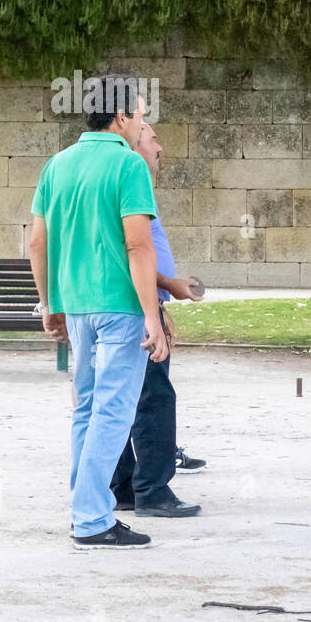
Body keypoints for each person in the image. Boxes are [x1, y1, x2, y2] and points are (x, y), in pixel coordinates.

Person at [29, 75, 169, 550]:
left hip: (77, 307)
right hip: (119, 307)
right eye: (141, 115)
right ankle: (90, 519)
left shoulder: (57, 165)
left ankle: (85, 510)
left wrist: (50, 305)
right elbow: (137, 243)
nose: (143, 124)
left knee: (86, 410)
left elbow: (37, 242)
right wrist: (153, 316)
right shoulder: (128, 166)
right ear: (121, 116)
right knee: (112, 410)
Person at [109, 122, 207, 517]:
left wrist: (162, 299)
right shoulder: (130, 184)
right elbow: (131, 250)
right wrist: (164, 296)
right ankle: (152, 491)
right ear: (134, 144)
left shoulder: (132, 186)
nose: (160, 147)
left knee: (124, 397)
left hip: (136, 304)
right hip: (135, 308)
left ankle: (126, 487)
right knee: (153, 399)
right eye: (152, 138)